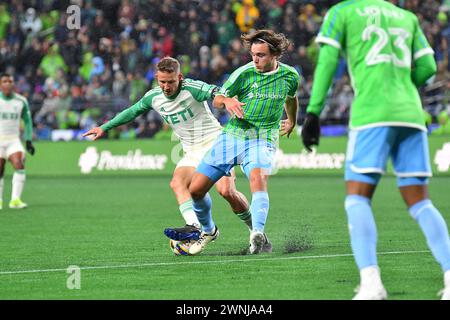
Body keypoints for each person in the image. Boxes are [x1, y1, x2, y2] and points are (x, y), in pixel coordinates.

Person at [301, 0, 450, 300]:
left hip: (372, 115)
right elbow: (428, 67)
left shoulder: (342, 12)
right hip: (410, 114)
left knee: (357, 198)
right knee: (420, 202)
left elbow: (328, 60)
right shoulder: (406, 16)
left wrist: (314, 112)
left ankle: (371, 283)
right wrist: (402, 88)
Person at [83, 57, 256, 242]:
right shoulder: (154, 97)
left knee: (226, 192)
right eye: (162, 82)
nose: (166, 86)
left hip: (216, 143)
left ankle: (255, 230)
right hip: (192, 151)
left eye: (171, 82)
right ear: (157, 78)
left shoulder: (192, 88)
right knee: (177, 183)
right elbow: (132, 111)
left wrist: (227, 100)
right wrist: (104, 127)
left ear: (179, 77)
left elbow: (215, 92)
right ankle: (197, 227)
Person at [176, 29, 300, 255]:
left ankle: (257, 234)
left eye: (261, 55)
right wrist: (228, 101)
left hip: (262, 138)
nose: (255, 59)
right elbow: (217, 99)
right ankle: (208, 230)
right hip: (232, 136)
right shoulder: (243, 74)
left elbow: (291, 99)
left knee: (257, 179)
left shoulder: (290, 76)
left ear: (274, 55)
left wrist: (292, 120)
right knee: (195, 190)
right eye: (253, 54)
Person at [0, 73, 35, 210]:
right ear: (0, 84)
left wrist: (28, 140)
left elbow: (27, 121)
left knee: (19, 164)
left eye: (10, 81)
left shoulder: (21, 101)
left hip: (14, 140)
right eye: (5, 81)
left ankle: (15, 200)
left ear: (13, 84)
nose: (8, 83)